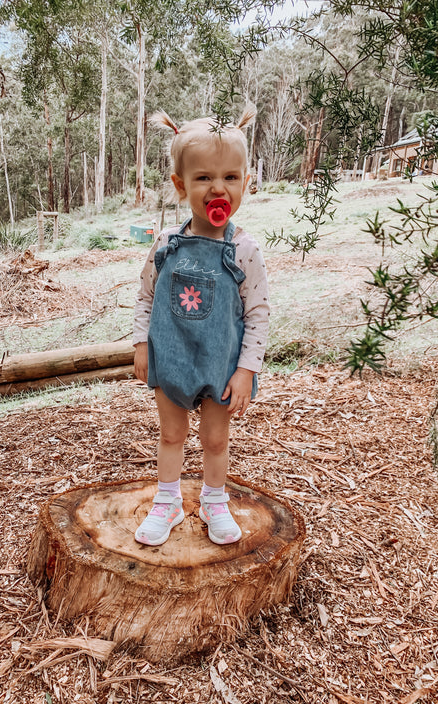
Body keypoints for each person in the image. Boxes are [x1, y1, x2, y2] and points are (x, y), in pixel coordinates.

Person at [132, 108, 270, 546]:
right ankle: (167, 501)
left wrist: (246, 369)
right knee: (172, 434)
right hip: (171, 360)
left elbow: (258, 314)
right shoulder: (165, 245)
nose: (218, 188)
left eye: (231, 177)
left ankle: (214, 500)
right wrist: (140, 344)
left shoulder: (244, 249)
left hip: (220, 367)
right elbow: (146, 297)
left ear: (246, 182)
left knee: (214, 439)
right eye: (204, 178)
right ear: (180, 185)